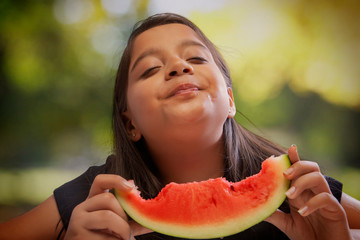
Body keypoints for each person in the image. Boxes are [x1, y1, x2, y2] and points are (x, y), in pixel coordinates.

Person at [0, 13, 359, 240]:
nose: (177, 67)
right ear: (130, 124)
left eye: (196, 58)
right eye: (150, 69)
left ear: (230, 101)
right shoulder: (97, 199)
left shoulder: (297, 191)